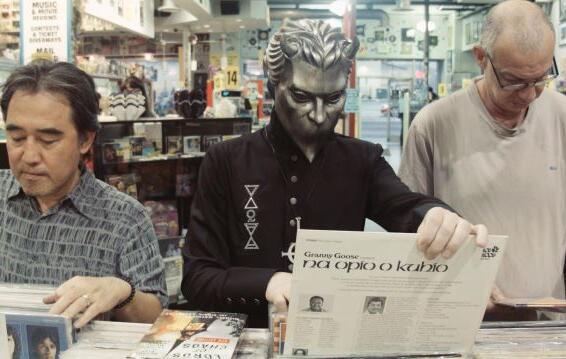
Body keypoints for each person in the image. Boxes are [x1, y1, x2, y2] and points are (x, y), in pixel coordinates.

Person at [181, 19, 488, 328]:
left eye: (333, 99)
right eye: (301, 97)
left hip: (331, 336)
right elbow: (197, 278)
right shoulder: (226, 161)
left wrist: (438, 216)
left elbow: (405, 207)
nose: (318, 115)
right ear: (274, 87)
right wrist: (266, 283)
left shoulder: (361, 160)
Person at [399, 0, 564, 320]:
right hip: (455, 320)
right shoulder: (434, 124)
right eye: (515, 81)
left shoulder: (562, 117)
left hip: (548, 324)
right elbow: (405, 228)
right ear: (480, 58)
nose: (529, 94)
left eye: (541, 78)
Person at [0, 60, 167, 328]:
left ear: (85, 140)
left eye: (48, 140)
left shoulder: (125, 217)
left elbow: (157, 318)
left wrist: (122, 293)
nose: (29, 156)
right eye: (17, 138)